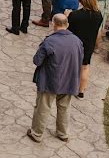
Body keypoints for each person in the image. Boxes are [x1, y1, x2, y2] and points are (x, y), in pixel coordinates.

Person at [27, 14, 83, 143]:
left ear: (53, 24)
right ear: (67, 24)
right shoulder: (77, 41)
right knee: (64, 107)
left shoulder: (50, 41)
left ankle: (37, 133)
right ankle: (62, 133)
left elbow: (37, 61)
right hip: (69, 80)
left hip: (50, 80)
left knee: (43, 107)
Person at [66, 0, 103, 98]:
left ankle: (67, 86)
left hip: (74, 44)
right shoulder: (98, 15)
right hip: (88, 45)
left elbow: (68, 30)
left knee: (70, 65)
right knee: (85, 67)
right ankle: (81, 91)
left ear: (81, 0)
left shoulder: (75, 15)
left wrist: (66, 15)